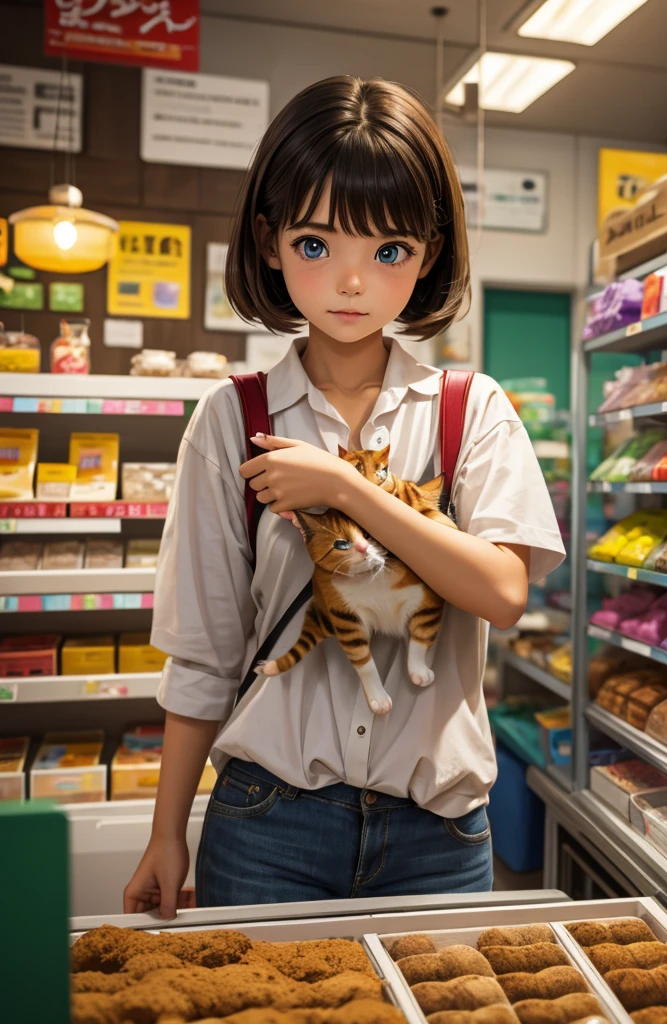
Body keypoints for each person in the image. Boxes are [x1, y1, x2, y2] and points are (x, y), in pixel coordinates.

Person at [123, 76, 564, 916]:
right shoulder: (232, 420)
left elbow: (503, 592)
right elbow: (206, 653)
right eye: (318, 245)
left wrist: (345, 489)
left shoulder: (472, 412)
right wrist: (166, 830)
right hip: (266, 825)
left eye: (387, 251)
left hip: (440, 836)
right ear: (269, 243)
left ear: (428, 252)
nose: (351, 284)